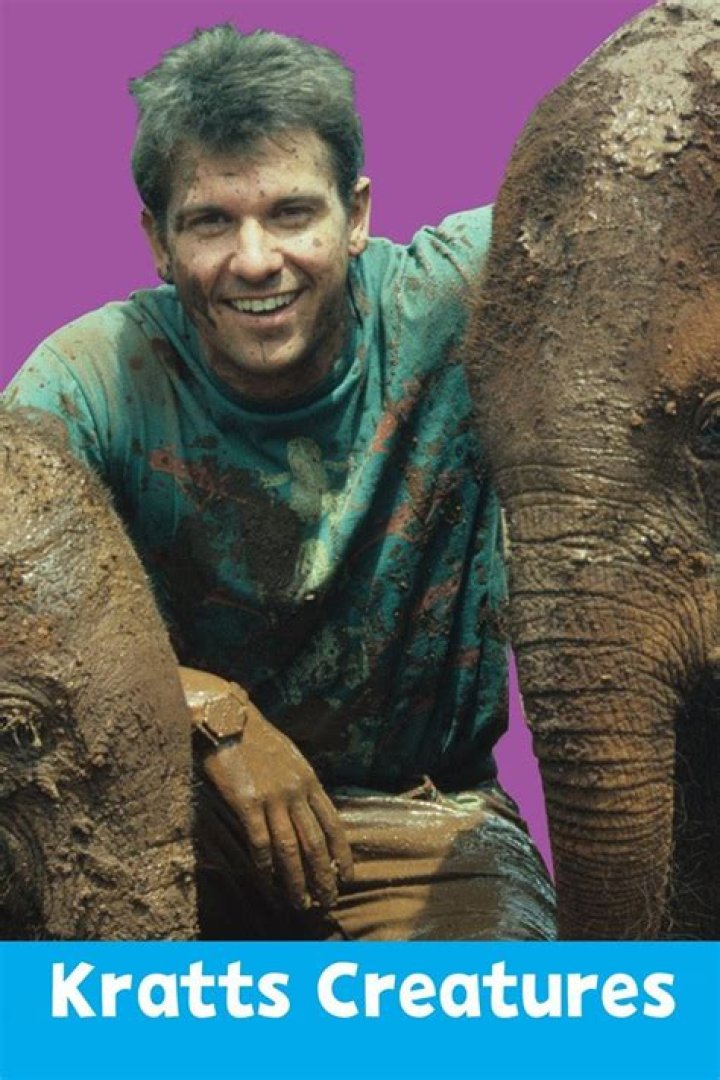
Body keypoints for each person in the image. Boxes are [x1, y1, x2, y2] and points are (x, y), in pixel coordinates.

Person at [4, 25, 554, 940]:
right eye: (211, 222)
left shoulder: (459, 300)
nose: (256, 259)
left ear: (357, 213)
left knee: (494, 1014)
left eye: (293, 213)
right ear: (157, 240)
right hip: (169, 821)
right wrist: (207, 712)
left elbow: (639, 197)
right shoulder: (95, 379)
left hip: (422, 826)